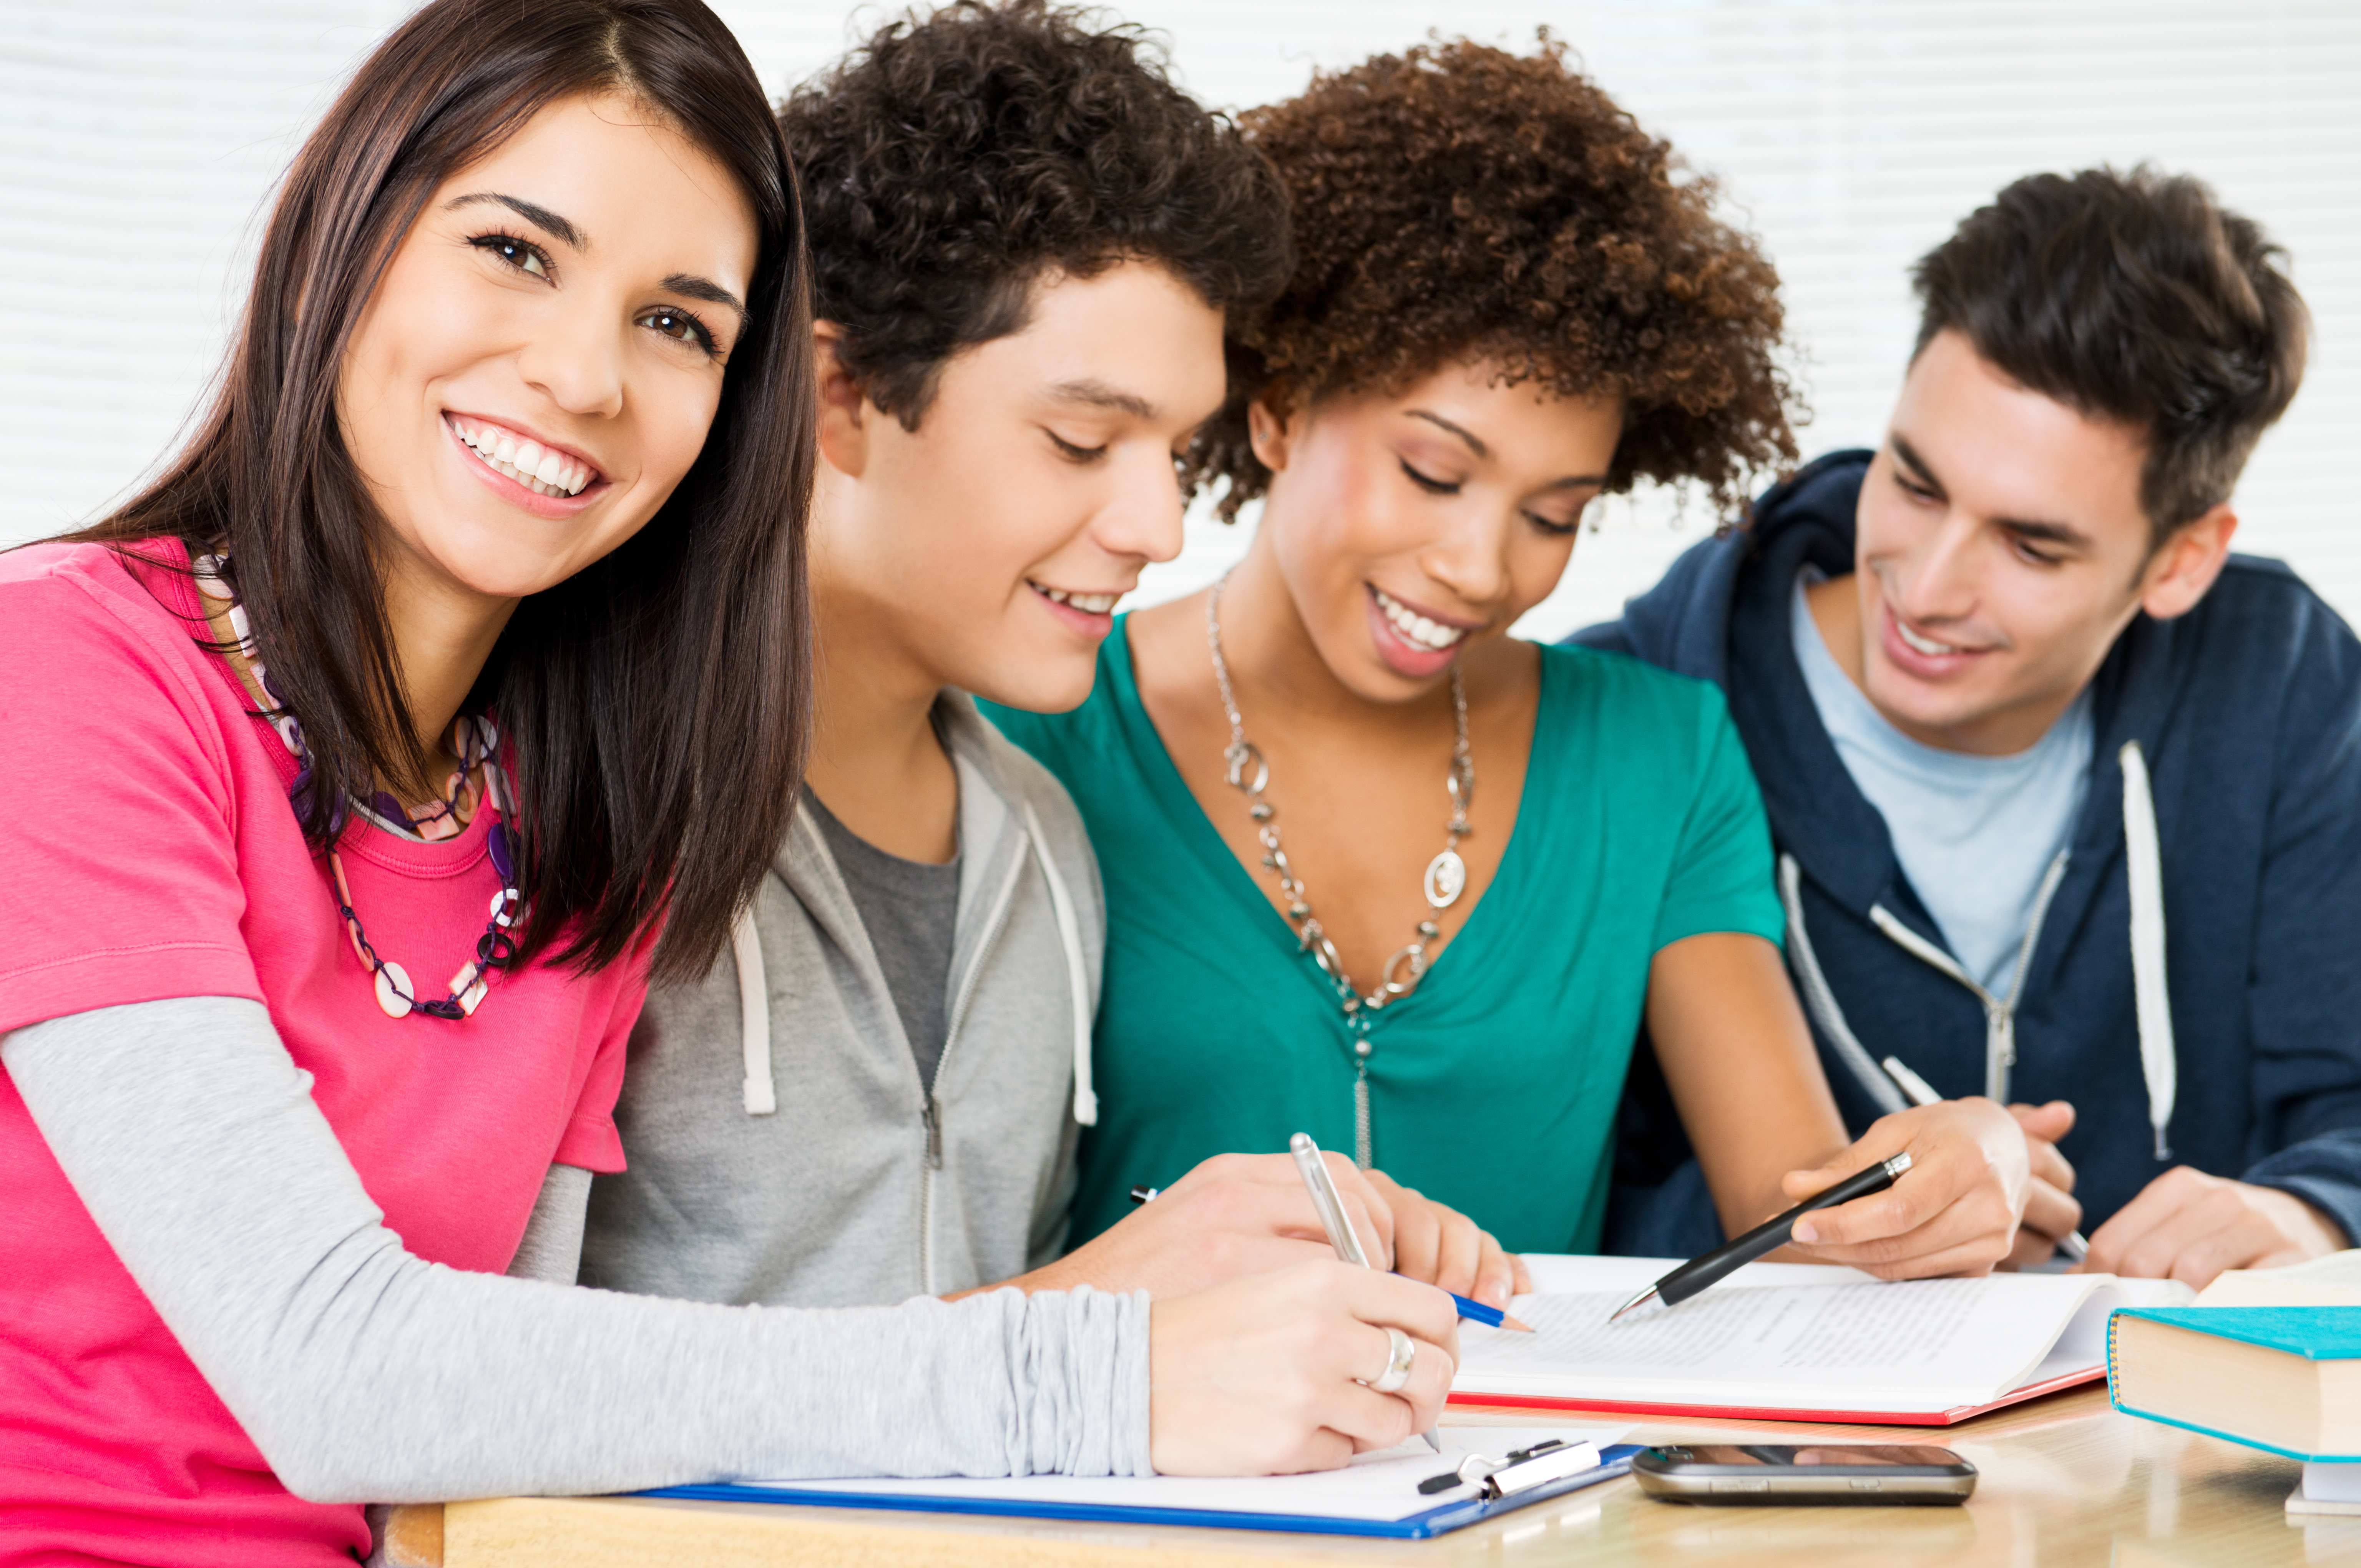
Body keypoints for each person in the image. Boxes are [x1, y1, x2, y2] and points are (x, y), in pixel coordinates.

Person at [0, 6, 1454, 1565]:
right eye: (514, 251)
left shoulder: (580, 806)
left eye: (679, 326)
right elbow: (332, 1364)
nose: (580, 375)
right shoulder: (70, 663)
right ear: (339, 237)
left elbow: (541, 1408)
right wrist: (1098, 1368)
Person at [986, 38, 2035, 1286]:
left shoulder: (1657, 759)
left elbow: (1797, 1220)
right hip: (1141, 1464)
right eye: (1433, 471)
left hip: (1540, 1479)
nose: (1483, 567)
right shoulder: (1033, 720)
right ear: (1273, 407)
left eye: (1555, 514)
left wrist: (1948, 1172)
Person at [577, 0, 1515, 1321]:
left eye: (1178, 455)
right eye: (1083, 442)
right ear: (838, 400)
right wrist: (1086, 1310)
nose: (1161, 528)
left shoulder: (1043, 849)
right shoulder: (575, 795)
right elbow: (468, 1386)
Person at [1582, 166, 2354, 1289]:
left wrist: (2310, 1216)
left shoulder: (2283, 677)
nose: (1928, 588)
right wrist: (1890, 1224)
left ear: (2182, 558)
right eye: (1916, 483)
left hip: (2173, 1444)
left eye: (2031, 546)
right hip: (1779, 1450)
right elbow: (1570, 1206)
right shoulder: (1635, 702)